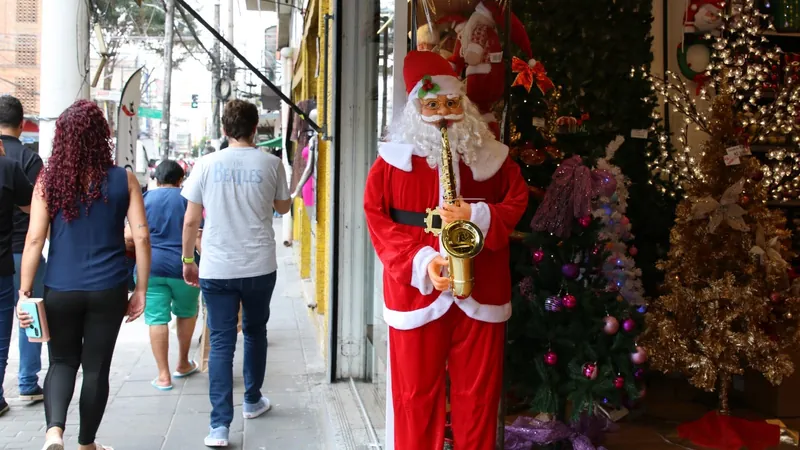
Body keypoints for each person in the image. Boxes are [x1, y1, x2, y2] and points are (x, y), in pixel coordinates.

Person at [363, 51, 529, 449]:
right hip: (417, 291)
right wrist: (421, 260)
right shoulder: (390, 162)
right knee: (414, 397)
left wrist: (477, 214)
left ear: (464, 106)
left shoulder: (491, 156)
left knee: (480, 398)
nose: (442, 114)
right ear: (416, 107)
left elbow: (517, 199)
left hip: (481, 287)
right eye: (433, 105)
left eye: (451, 104)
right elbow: (377, 219)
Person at [16, 99, 151, 450]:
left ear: (61, 138)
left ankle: (53, 433)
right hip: (109, 289)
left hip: (61, 286)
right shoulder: (125, 179)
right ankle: (86, 443)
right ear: (100, 137)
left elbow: (34, 239)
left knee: (61, 361)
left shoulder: (49, 180)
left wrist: (25, 291)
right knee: (95, 369)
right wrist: (140, 289)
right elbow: (141, 236)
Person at [181, 99, 291, 447]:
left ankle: (219, 427)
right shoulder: (271, 163)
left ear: (225, 129)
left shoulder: (206, 164)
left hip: (217, 267)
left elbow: (190, 219)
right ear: (255, 128)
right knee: (256, 331)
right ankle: (252, 400)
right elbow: (283, 206)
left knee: (222, 342)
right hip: (259, 265)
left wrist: (187, 260)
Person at [125, 160, 200, 391]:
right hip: (184, 267)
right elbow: (198, 234)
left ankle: (163, 375)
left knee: (157, 318)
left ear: (156, 179)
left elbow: (129, 236)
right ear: (181, 179)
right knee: (186, 313)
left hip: (151, 268)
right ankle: (183, 363)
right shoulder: (189, 199)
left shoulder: (145, 199)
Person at [0, 95, 45, 403]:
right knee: (30, 312)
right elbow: (39, 209)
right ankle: (28, 381)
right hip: (24, 251)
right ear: (21, 123)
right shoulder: (30, 159)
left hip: (5, 255)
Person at [0, 138, 33, 417]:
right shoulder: (9, 166)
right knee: (3, 334)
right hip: (6, 260)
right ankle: (17, 388)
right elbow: (31, 206)